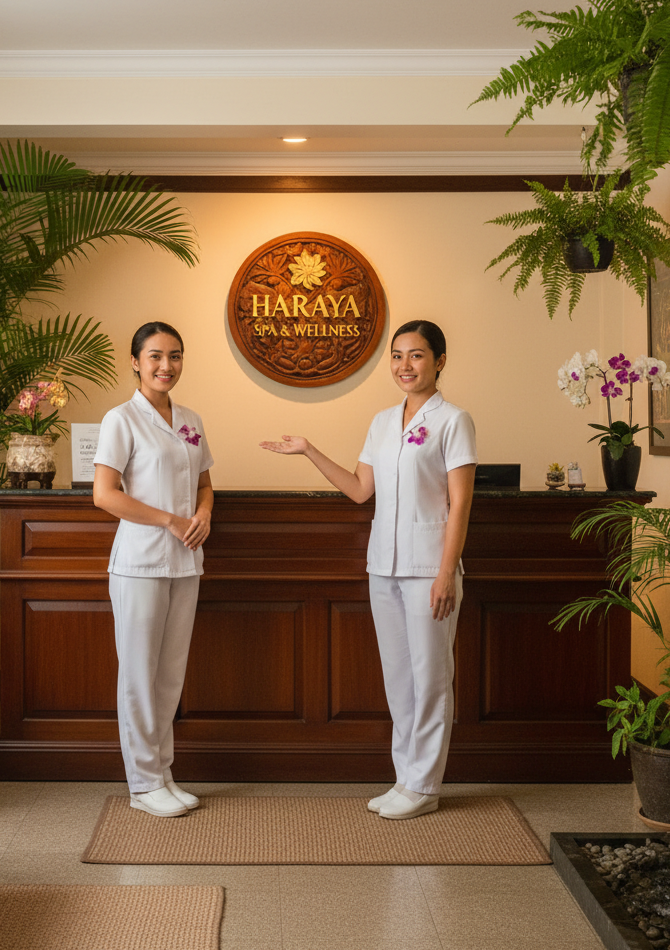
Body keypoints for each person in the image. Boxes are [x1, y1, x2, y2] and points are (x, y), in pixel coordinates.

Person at [260, 319, 476, 819]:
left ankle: (425, 785)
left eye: (417, 355)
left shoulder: (454, 420)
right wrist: (309, 450)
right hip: (384, 566)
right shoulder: (382, 422)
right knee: (399, 679)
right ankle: (405, 779)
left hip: (429, 568)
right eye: (398, 356)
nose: (405, 365)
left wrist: (446, 572)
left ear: (439, 361)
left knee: (431, 677)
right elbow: (360, 490)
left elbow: (461, 504)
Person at [93, 321, 214, 817]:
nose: (167, 366)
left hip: (185, 561)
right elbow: (105, 494)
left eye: (176, 356)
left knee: (168, 676)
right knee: (139, 676)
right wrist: (169, 519)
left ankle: (163, 771)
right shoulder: (120, 419)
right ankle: (143, 784)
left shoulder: (190, 419)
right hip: (140, 563)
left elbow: (205, 483)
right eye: (156, 356)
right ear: (136, 361)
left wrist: (204, 513)